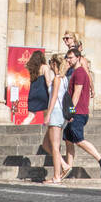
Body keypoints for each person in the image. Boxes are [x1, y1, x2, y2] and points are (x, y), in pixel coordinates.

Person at [62, 47, 101, 179]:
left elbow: (76, 94)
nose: (69, 60)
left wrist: (70, 113)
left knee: (78, 139)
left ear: (78, 58)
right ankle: (68, 169)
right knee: (68, 139)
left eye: (71, 57)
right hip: (78, 112)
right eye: (67, 57)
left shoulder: (79, 73)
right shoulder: (77, 72)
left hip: (78, 112)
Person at [42, 53, 68, 183]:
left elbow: (53, 98)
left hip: (56, 113)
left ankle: (57, 176)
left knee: (54, 146)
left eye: (50, 62)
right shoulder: (64, 79)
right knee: (46, 144)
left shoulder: (57, 79)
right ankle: (64, 165)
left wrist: (48, 115)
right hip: (60, 113)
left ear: (54, 64)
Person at [23, 49, 52, 124]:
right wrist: (52, 93)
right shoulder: (45, 67)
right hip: (43, 94)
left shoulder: (32, 69)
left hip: (33, 93)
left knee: (30, 116)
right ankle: (47, 133)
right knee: (46, 115)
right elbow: (48, 82)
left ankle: (19, 128)